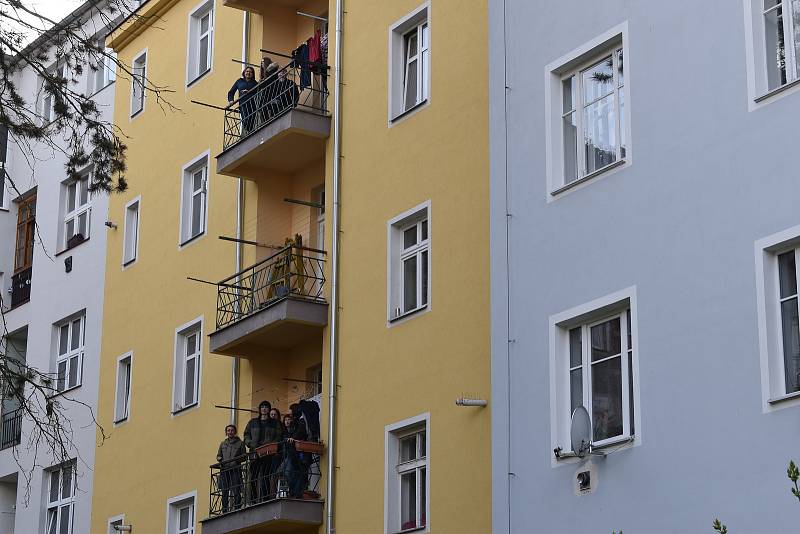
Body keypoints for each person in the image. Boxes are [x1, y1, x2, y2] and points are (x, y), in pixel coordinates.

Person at [243, 401, 282, 502]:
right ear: (260, 409)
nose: (264, 409)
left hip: (268, 453)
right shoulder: (253, 422)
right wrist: (250, 443)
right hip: (254, 453)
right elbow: (246, 435)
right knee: (253, 478)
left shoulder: (275, 423)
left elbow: (278, 436)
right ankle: (253, 499)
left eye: (266, 407)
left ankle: (265, 499)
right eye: (262, 407)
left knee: (265, 477)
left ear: (269, 409)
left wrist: (270, 445)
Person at [216, 424, 245, 513]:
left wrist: (236, 461)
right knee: (224, 491)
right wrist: (219, 458)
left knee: (236, 490)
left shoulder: (240, 443)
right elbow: (218, 455)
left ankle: (237, 508)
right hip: (224, 470)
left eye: (232, 430)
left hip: (235, 469)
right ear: (226, 432)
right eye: (228, 430)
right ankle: (224, 510)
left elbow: (244, 456)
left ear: (235, 432)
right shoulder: (223, 444)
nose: (230, 432)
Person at [227, 66, 258, 134]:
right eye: (247, 71)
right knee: (246, 121)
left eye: (250, 72)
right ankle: (248, 133)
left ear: (253, 74)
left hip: (252, 104)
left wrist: (249, 91)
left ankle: (249, 133)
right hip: (243, 104)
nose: (248, 73)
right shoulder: (239, 81)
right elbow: (231, 92)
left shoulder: (255, 83)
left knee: (251, 121)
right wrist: (231, 100)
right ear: (244, 73)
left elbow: (258, 93)